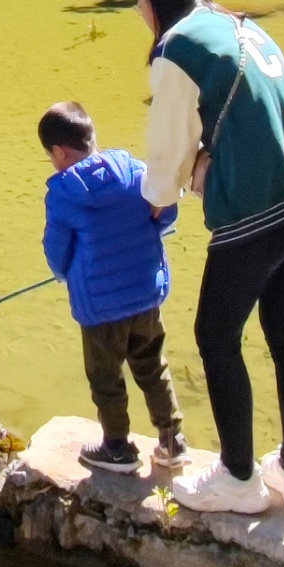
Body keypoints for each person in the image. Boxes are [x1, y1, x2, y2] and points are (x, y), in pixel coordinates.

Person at [132, 0, 284, 516]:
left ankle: (239, 479)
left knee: (215, 334)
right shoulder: (242, 26)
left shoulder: (178, 46)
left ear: (150, 3)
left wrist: (154, 202)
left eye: (139, 6)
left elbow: (168, 149)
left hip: (257, 204)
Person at [39, 98, 187, 478]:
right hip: (144, 295)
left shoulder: (63, 193)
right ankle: (172, 441)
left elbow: (56, 250)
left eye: (50, 156)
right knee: (152, 366)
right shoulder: (134, 169)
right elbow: (164, 210)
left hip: (100, 309)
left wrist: (63, 273)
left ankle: (118, 448)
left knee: (106, 379)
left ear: (59, 152)